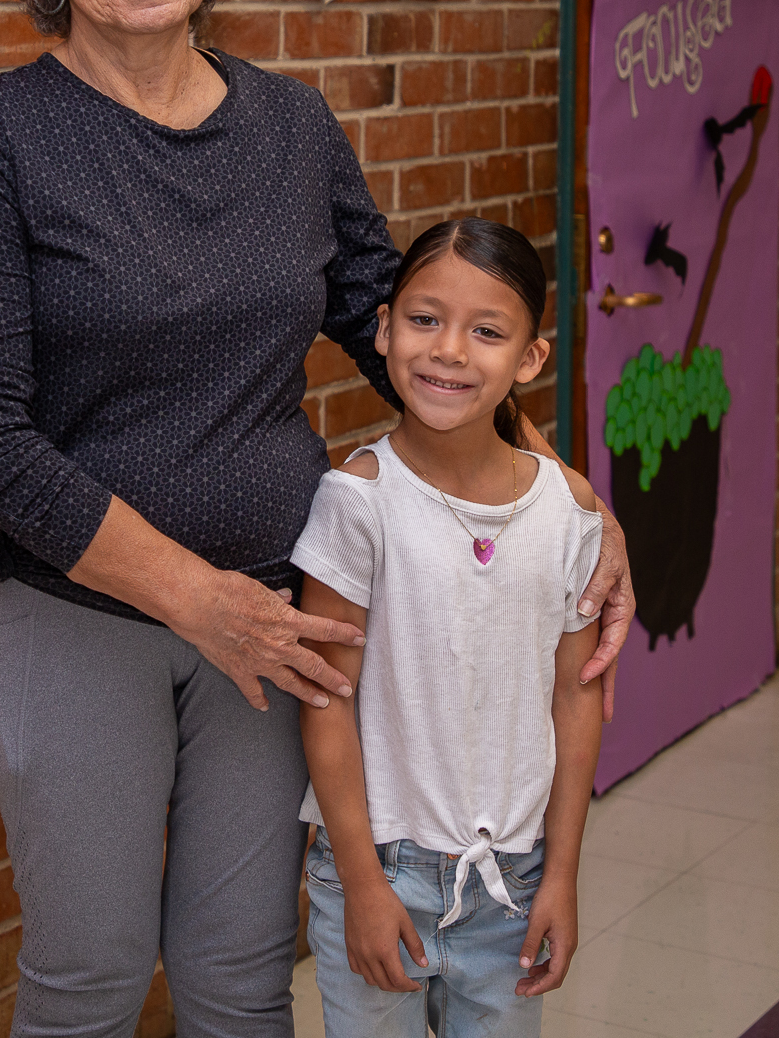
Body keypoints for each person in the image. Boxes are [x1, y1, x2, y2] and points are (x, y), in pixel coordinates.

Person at [0, 0, 636, 1038]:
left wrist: (568, 502)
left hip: (283, 605)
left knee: (243, 974)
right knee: (88, 977)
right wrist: (203, 604)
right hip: (74, 616)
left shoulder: (291, 128)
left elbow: (395, 335)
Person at [295, 218, 604, 1037]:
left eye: (488, 331)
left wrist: (562, 874)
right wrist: (361, 882)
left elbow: (578, 702)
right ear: (385, 328)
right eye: (425, 319)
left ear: (530, 358)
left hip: (514, 879)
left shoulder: (569, 513)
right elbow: (324, 701)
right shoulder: (356, 502)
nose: (450, 351)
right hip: (380, 871)